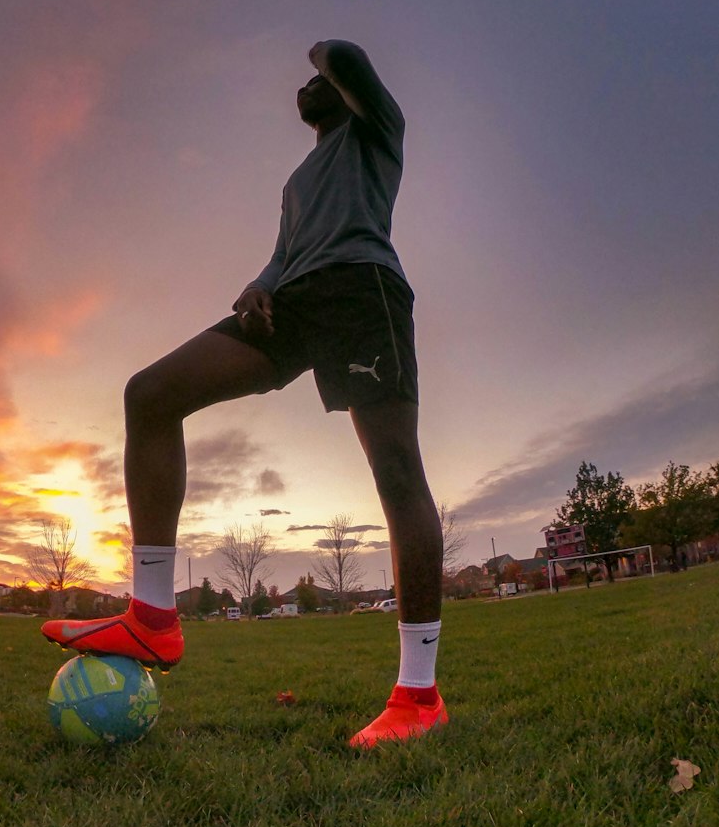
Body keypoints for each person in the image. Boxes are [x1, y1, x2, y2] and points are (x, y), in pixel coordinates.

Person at [42, 40, 447, 747]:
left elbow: (347, 57)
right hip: (289, 304)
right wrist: (260, 282)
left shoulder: (376, 126)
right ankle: (153, 616)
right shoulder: (296, 183)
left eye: (316, 77)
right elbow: (283, 253)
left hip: (362, 293)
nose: (309, 82)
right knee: (151, 394)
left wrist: (322, 52)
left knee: (398, 475)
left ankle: (419, 696)